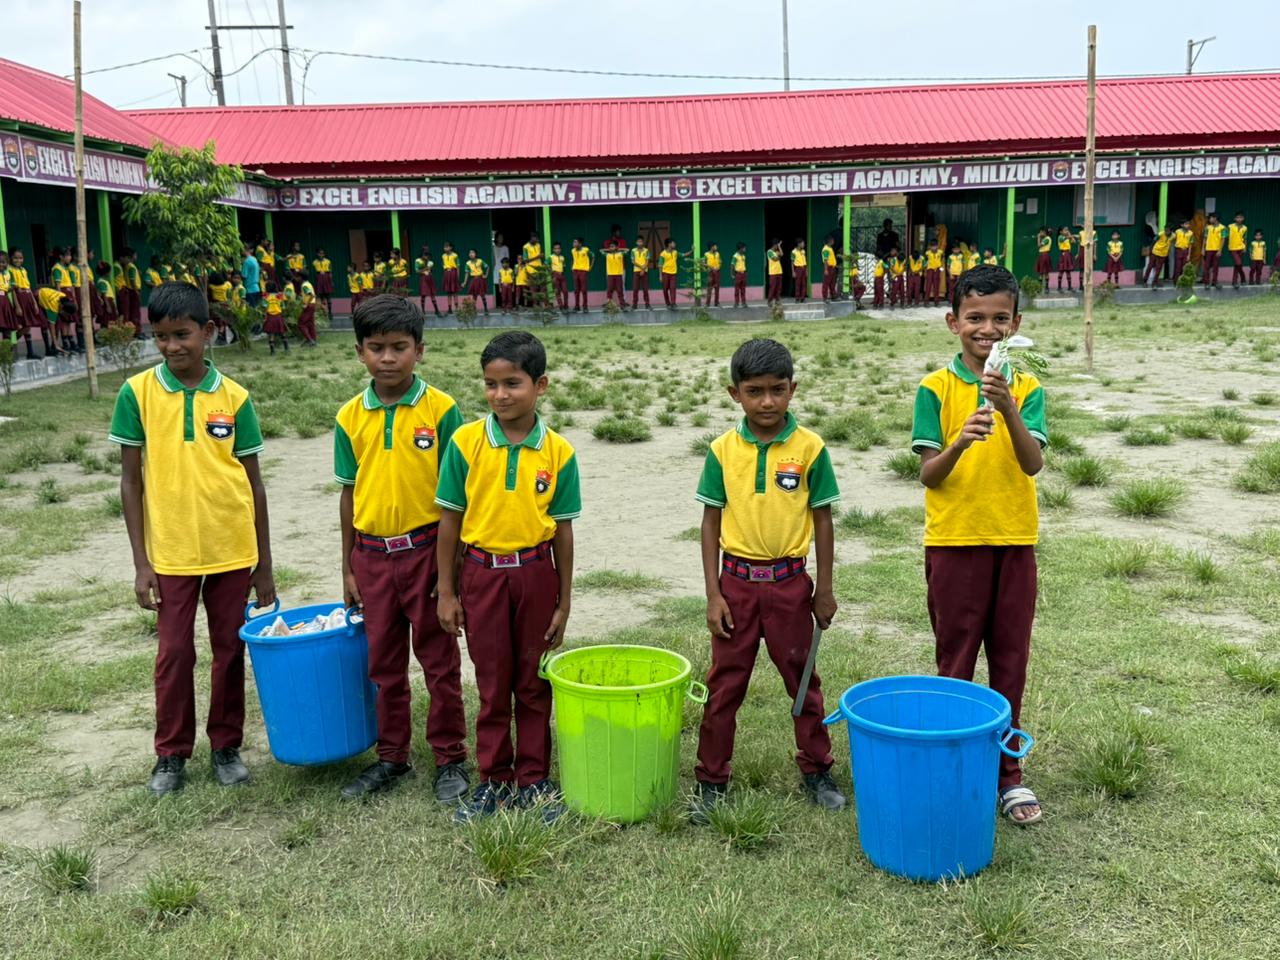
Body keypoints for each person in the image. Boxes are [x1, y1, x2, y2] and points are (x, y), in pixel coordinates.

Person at [108, 282, 275, 797]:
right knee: (175, 653)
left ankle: (226, 746)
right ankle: (171, 753)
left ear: (208, 332)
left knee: (230, 650)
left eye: (182, 334)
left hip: (231, 548)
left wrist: (264, 565)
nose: (172, 346)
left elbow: (254, 484)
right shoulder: (136, 393)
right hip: (172, 552)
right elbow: (130, 481)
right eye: (161, 337)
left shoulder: (234, 397)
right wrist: (142, 562)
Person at [910, 264, 1046, 826]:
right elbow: (929, 474)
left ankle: (1008, 773)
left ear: (1016, 324)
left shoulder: (1028, 387)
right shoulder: (934, 389)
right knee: (956, 659)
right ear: (953, 322)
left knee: (1010, 659)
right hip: (954, 542)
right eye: (974, 317)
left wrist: (1009, 408)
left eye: (999, 318)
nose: (986, 329)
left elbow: (1033, 464)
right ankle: (954, 764)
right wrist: (961, 441)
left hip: (1014, 540)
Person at [690, 337, 844, 824]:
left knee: (803, 680)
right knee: (724, 685)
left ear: (792, 389)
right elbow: (710, 522)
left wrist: (824, 589)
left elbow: (823, 519)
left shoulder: (810, 448)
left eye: (778, 390)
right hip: (735, 584)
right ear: (735, 393)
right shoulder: (722, 450)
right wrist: (713, 593)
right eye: (754, 391)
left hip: (790, 585)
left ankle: (817, 769)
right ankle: (711, 778)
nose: (767, 402)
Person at [436, 331, 581, 823]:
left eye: (512, 383)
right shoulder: (465, 443)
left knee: (534, 681)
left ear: (540, 385)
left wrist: (563, 601)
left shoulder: (558, 452)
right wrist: (447, 591)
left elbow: (563, 530)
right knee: (492, 682)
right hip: (482, 575)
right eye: (490, 384)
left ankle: (534, 779)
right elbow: (450, 521)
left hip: (536, 574)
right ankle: (494, 779)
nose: (499, 395)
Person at [332, 295, 469, 802]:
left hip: (427, 552)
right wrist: (348, 566)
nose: (387, 358)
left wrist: (451, 572)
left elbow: (458, 497)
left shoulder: (442, 410)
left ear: (420, 350)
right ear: (359, 352)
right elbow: (348, 494)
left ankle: (450, 758)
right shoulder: (349, 416)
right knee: (384, 664)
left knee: (439, 661)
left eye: (399, 347)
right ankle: (392, 757)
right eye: (376, 348)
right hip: (370, 557)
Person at [8, 249, 56, 358]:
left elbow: (28, 287)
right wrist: (17, 306)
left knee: (39, 322)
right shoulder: (10, 270)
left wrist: (34, 302)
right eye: (15, 258)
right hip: (20, 297)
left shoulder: (24, 270)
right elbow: (13, 290)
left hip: (28, 297)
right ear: (10, 258)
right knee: (26, 325)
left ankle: (39, 350)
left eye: (20, 258)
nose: (18, 260)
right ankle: (12, 343)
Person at [262, 281, 288, 354]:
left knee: (271, 334)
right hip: (278, 316)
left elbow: (264, 307)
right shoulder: (279, 295)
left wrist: (264, 316)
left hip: (270, 316)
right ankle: (286, 348)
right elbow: (283, 306)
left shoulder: (265, 296)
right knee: (282, 332)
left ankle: (272, 351)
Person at [1202, 213, 1226, 288]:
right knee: (1207, 266)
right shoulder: (1207, 228)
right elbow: (1205, 239)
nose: (1209, 219)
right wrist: (1203, 249)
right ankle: (1206, 283)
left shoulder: (1223, 227)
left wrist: (1220, 250)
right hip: (1208, 249)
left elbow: (1223, 239)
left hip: (1217, 250)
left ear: (1215, 218)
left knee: (1215, 267)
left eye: (1210, 218)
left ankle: (1214, 282)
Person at [465, 249, 490, 315]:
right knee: (474, 295)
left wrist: (486, 275)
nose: (471, 254)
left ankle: (486, 309)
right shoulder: (468, 263)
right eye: (470, 253)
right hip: (473, 279)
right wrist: (464, 282)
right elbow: (467, 273)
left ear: (475, 254)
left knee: (482, 295)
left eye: (472, 253)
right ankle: (473, 310)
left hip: (480, 279)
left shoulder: (480, 261)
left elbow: (487, 267)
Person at [296, 272, 318, 346]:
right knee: (310, 323)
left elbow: (311, 295)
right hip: (313, 304)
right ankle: (313, 339)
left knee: (301, 323)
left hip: (309, 305)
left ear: (301, 277)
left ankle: (309, 340)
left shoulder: (304, 285)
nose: (297, 278)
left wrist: (306, 304)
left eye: (298, 277)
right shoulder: (308, 284)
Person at [1227, 211, 1249, 288]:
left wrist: (1245, 247)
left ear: (1243, 218)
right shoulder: (1230, 226)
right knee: (1238, 263)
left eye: (1241, 217)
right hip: (1232, 248)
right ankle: (1243, 277)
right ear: (1234, 218)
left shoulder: (1245, 228)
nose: (1239, 219)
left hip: (1241, 248)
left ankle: (1234, 282)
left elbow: (1245, 238)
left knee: (1237, 265)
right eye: (1237, 217)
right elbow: (1225, 236)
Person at [570, 238, 592, 312]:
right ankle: (577, 306)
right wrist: (572, 267)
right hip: (575, 271)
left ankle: (585, 307)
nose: (574, 244)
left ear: (580, 244)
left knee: (584, 290)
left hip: (583, 271)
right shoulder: (572, 250)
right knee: (576, 290)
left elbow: (593, 256)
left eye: (575, 242)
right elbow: (572, 259)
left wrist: (590, 267)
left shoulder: (586, 250)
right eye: (573, 242)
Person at [603, 242, 627, 309]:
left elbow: (627, 250)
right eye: (610, 247)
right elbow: (601, 251)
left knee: (620, 290)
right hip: (610, 274)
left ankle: (622, 304)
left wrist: (618, 249)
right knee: (609, 289)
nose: (611, 248)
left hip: (618, 274)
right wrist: (608, 249)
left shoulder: (620, 254)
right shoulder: (607, 255)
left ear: (616, 247)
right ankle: (609, 304)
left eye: (613, 246)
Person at [659, 239, 681, 311]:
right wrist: (660, 276)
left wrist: (691, 251)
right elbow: (660, 265)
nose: (675, 244)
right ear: (669, 244)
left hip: (673, 274)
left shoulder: (675, 252)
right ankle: (667, 303)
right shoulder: (663, 254)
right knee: (665, 289)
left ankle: (673, 303)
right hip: (665, 274)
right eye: (673, 243)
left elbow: (683, 255)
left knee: (673, 289)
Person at [312, 248, 333, 318]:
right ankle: (323, 313)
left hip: (326, 277)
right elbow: (314, 273)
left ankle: (330, 312)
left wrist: (331, 281)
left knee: (328, 296)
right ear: (317, 254)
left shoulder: (328, 261)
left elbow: (330, 272)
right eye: (320, 253)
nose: (321, 255)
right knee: (321, 296)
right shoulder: (314, 262)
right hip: (319, 278)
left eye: (322, 253)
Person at [441, 243, 460, 313]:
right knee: (448, 292)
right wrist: (445, 274)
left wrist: (457, 276)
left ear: (451, 247)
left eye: (447, 247)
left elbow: (458, 266)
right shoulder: (443, 256)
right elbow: (443, 265)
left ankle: (457, 308)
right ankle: (449, 308)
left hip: (453, 273)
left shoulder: (455, 255)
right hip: (447, 273)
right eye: (444, 247)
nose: (445, 248)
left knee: (455, 292)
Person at [924, 240, 944, 307]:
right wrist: (925, 271)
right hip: (930, 270)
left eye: (935, 246)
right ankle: (926, 301)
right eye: (932, 246)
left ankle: (936, 301)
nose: (934, 248)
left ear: (937, 246)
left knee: (936, 286)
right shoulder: (927, 253)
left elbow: (941, 259)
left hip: (937, 270)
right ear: (930, 247)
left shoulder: (940, 252)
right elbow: (925, 262)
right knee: (928, 285)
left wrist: (939, 266)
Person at [550, 242, 569, 311]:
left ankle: (566, 305)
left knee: (565, 291)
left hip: (562, 276)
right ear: (553, 250)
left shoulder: (562, 257)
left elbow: (564, 266)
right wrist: (552, 272)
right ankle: (561, 306)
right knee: (557, 292)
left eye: (558, 248)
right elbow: (546, 265)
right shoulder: (550, 257)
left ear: (560, 249)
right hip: (555, 275)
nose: (557, 250)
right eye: (555, 249)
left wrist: (562, 272)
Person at [1056, 227, 1075, 291]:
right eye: (1065, 230)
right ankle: (1059, 287)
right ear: (1061, 232)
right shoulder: (1060, 237)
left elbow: (1073, 241)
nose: (1066, 231)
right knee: (1061, 270)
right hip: (1063, 254)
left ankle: (1069, 287)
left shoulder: (1067, 237)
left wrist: (1069, 233)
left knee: (1068, 271)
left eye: (1067, 230)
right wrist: (1069, 234)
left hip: (1068, 254)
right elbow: (1066, 238)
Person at [703, 242, 722, 308]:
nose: (716, 247)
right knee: (709, 288)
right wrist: (709, 267)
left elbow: (720, 261)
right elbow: (703, 263)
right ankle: (707, 303)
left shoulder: (717, 253)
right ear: (711, 247)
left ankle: (717, 303)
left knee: (717, 288)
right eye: (715, 246)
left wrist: (719, 266)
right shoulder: (706, 254)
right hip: (710, 273)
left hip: (717, 272)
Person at [765, 239, 784, 306]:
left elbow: (782, 254)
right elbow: (775, 259)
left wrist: (779, 246)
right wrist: (779, 256)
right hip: (773, 272)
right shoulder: (769, 251)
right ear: (774, 245)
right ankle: (769, 301)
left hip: (779, 271)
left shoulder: (777, 251)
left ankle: (777, 300)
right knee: (773, 287)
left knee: (779, 288)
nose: (777, 247)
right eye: (777, 245)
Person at [820, 235, 838, 302]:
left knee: (832, 283)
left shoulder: (830, 248)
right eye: (832, 240)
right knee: (826, 283)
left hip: (833, 268)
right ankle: (825, 297)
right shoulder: (826, 249)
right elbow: (825, 260)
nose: (833, 241)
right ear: (829, 241)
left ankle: (833, 296)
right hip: (828, 267)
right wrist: (826, 269)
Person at [491, 233, 509, 299]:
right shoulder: (493, 247)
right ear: (496, 238)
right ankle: (497, 302)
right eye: (499, 237)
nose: (501, 239)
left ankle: (503, 302)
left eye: (502, 237)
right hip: (495, 269)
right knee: (496, 286)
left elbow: (507, 260)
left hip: (503, 269)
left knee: (504, 287)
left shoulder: (505, 248)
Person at [1034, 228, 1052, 292]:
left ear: (1044, 232)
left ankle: (1046, 287)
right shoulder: (1045, 239)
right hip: (1042, 255)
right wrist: (1040, 237)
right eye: (1040, 232)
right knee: (1041, 272)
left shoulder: (1047, 239)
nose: (1040, 233)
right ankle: (1040, 287)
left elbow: (1039, 245)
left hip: (1045, 255)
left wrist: (1038, 238)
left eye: (1041, 232)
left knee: (1046, 272)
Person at [731, 243, 748, 308]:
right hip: (738, 274)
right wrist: (732, 274)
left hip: (743, 273)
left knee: (743, 289)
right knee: (737, 289)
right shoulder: (735, 256)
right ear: (740, 248)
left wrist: (745, 273)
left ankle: (744, 303)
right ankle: (736, 303)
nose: (745, 249)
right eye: (744, 248)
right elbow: (732, 265)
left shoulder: (743, 256)